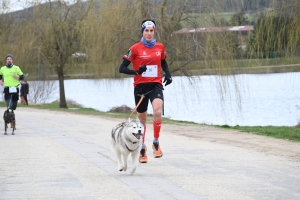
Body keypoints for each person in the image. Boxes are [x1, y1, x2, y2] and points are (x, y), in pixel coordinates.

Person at [119, 19, 172, 163]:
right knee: (142, 120)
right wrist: (136, 72)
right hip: (140, 88)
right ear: (142, 32)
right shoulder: (135, 48)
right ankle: (142, 148)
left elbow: (163, 61)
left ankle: (156, 143)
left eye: (151, 31)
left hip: (155, 85)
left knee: (157, 112)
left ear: (154, 31)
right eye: (146, 31)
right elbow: (122, 68)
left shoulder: (160, 47)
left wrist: (168, 73)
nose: (149, 33)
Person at [0, 54, 24, 127]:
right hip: (7, 88)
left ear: (12, 60)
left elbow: (22, 77)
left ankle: (11, 118)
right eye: (8, 59)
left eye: (10, 59)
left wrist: (18, 77)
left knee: (14, 106)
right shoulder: (2, 68)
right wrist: (0, 80)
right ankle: (11, 120)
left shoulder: (16, 68)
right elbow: (0, 75)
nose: (9, 60)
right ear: (6, 60)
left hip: (15, 88)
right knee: (9, 105)